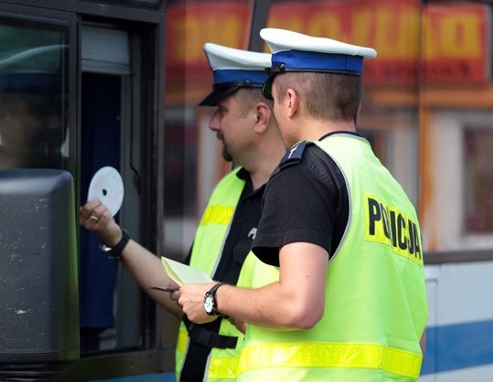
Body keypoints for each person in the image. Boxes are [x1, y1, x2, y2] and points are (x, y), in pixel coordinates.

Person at [177, 28, 429, 381]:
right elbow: (414, 333)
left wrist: (215, 298)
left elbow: (299, 305)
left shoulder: (305, 170)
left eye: (276, 101)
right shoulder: (391, 190)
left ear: (291, 101)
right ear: (352, 103)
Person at [79, 43, 285, 381]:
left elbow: (290, 311)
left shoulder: (301, 195)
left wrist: (220, 301)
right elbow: (186, 293)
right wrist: (115, 238)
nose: (213, 124)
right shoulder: (227, 188)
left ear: (260, 116)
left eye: (222, 110)